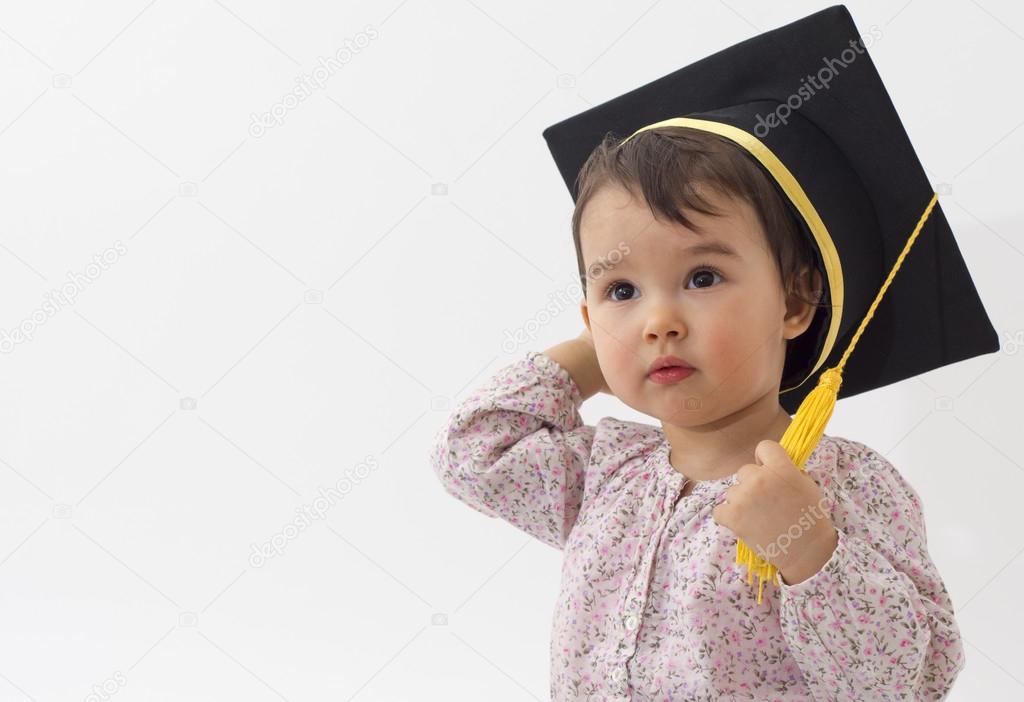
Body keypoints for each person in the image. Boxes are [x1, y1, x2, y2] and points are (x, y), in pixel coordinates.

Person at [432, 5, 995, 700]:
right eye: (622, 288)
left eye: (702, 278)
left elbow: (910, 681)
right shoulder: (603, 478)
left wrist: (809, 552)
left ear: (794, 304)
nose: (658, 321)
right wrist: (594, 348)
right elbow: (473, 451)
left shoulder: (843, 489)